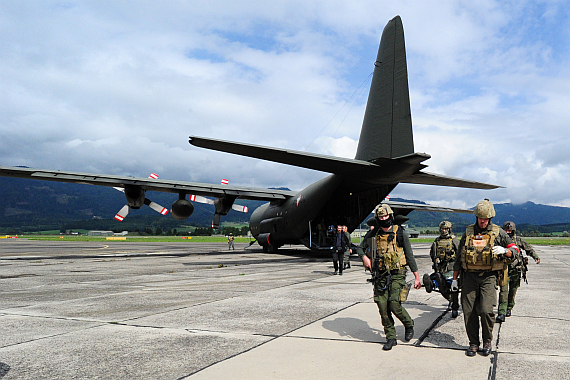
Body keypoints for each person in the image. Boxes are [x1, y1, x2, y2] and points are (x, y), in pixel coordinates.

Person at [451, 199, 518, 357]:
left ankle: (487, 340)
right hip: (468, 277)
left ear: (490, 218)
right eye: (481, 218)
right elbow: (459, 257)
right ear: (476, 217)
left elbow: (514, 250)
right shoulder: (468, 233)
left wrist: (504, 250)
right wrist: (455, 279)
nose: (483, 221)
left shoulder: (498, 232)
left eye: (486, 218)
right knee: (469, 312)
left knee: (487, 311)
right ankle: (473, 343)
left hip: (488, 277)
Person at [357, 204, 422, 351]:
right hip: (380, 275)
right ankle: (391, 337)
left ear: (390, 216)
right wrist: (365, 258)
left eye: (385, 216)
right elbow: (360, 248)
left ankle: (408, 324)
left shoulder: (401, 233)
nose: (383, 219)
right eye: (380, 217)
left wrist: (416, 277)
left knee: (394, 303)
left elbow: (410, 256)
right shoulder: (374, 234)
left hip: (398, 273)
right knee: (382, 306)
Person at [496, 221, 540, 322]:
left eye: (510, 230)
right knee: (503, 290)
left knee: (513, 289)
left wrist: (536, 257)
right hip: (504, 269)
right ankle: (501, 312)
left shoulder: (518, 240)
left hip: (516, 269)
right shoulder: (500, 240)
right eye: (506, 230)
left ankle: (509, 307)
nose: (508, 232)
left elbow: (529, 249)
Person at [428, 221, 460, 318]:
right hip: (441, 268)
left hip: (451, 267)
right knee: (441, 286)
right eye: (442, 229)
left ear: (449, 229)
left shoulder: (454, 240)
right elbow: (432, 253)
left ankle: (455, 307)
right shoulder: (437, 241)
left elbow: (459, 254)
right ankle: (431, 284)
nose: (444, 230)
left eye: (445, 229)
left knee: (453, 287)